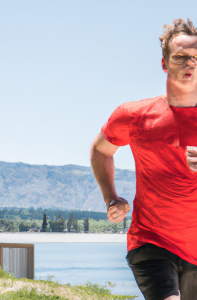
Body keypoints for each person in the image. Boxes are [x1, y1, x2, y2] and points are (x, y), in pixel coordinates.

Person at [90, 18, 197, 300]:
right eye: (181, 57)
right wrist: (110, 197)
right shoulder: (135, 115)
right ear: (165, 63)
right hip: (152, 242)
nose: (190, 63)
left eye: (196, 57)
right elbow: (101, 150)